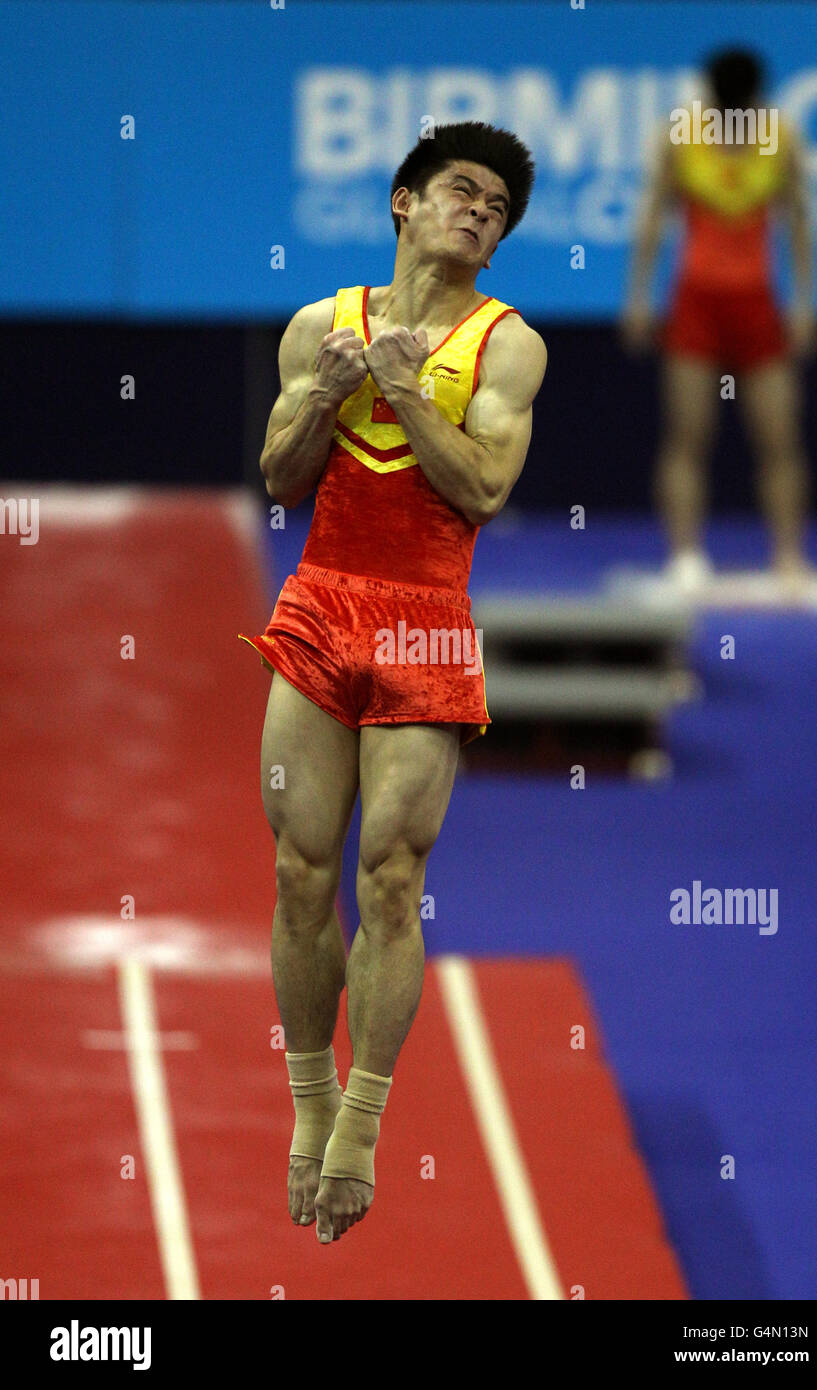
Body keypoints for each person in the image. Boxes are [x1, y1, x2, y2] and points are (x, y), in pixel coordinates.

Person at [238, 122, 547, 1244]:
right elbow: (280, 475)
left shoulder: (507, 347)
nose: (479, 212)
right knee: (296, 864)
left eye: (498, 209)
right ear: (402, 202)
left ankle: (361, 1124)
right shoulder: (320, 324)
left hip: (423, 622)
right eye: (461, 191)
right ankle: (308, 1101)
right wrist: (323, 394)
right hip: (321, 604)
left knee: (386, 876)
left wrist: (413, 394)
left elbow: (481, 492)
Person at [622, 48, 817, 595]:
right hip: (695, 309)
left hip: (758, 308)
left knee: (778, 438)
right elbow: (653, 220)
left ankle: (789, 558)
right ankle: (685, 557)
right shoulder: (679, 138)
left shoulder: (783, 139)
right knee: (688, 436)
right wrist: (639, 298)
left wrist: (802, 304)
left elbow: (800, 223)